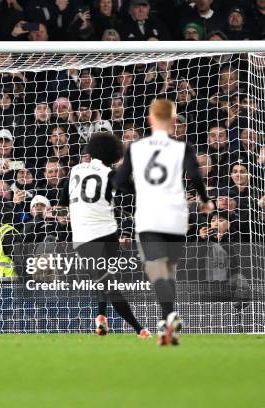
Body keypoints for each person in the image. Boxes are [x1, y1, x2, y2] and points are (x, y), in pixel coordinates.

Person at [113, 99, 214, 346]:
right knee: (169, 270)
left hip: (150, 216)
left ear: (150, 119)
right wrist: (205, 201)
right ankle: (168, 321)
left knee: (156, 269)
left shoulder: (136, 147)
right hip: (176, 216)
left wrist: (141, 189)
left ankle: (169, 317)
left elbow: (118, 181)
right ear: (173, 120)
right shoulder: (183, 147)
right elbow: (195, 175)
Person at [60, 132, 149, 338]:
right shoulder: (111, 174)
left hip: (84, 238)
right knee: (107, 280)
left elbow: (63, 201)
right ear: (114, 155)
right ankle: (106, 319)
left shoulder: (74, 170)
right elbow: (134, 191)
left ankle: (137, 329)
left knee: (107, 283)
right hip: (108, 236)